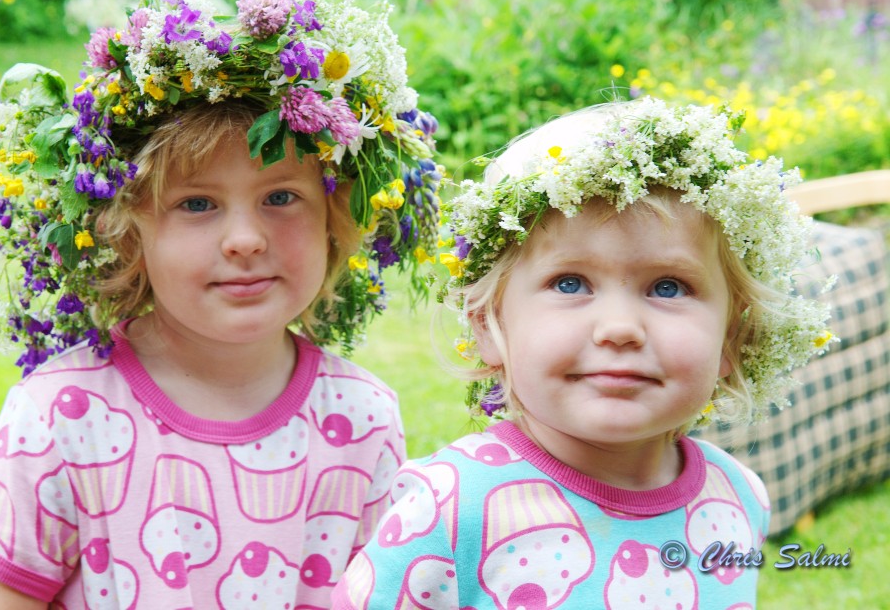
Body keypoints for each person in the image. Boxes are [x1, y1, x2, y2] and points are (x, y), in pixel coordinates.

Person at [0, 0, 443, 609]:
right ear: (129, 233)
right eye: (197, 204)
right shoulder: (59, 418)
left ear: (335, 220)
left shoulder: (363, 419)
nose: (246, 239)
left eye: (281, 197)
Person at [332, 98, 835, 609]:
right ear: (488, 322)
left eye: (668, 287)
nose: (620, 328)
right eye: (570, 283)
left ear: (731, 337)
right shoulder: (450, 511)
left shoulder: (738, 496)